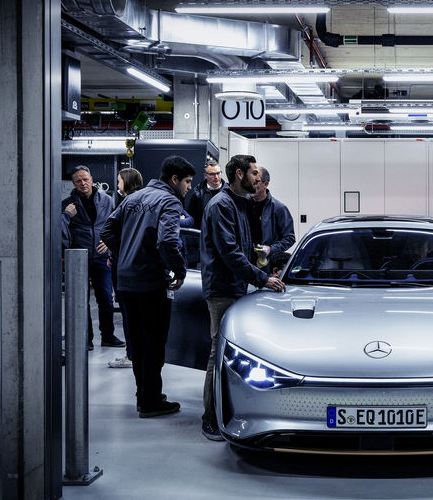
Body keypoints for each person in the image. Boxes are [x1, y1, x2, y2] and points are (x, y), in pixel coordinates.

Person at [101, 155, 195, 418]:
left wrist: (125, 254)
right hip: (151, 282)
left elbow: (107, 231)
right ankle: (151, 401)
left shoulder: (133, 198)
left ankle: (144, 395)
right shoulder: (169, 201)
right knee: (154, 342)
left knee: (139, 343)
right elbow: (167, 242)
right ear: (174, 179)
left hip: (126, 281)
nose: (189, 187)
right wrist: (179, 269)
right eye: (187, 182)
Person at [199, 154, 285, 440]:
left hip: (239, 286)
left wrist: (265, 265)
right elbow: (230, 253)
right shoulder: (221, 205)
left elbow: (244, 249)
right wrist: (262, 278)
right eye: (253, 173)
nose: (257, 178)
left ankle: (241, 410)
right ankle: (211, 417)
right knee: (219, 353)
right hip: (222, 288)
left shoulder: (240, 202)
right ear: (239, 174)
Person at [61, 165, 124, 351]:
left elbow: (115, 225)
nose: (83, 183)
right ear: (74, 183)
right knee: (81, 300)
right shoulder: (67, 204)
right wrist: (67, 215)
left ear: (92, 180)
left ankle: (108, 336)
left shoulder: (106, 200)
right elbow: (61, 231)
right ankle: (85, 339)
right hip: (78, 258)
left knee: (105, 298)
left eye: (85, 179)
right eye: (78, 181)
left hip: (101, 256)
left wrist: (109, 242)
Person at [105, 167, 143, 369]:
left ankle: (132, 355)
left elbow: (108, 232)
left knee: (129, 314)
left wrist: (116, 251)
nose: (118, 184)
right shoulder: (142, 203)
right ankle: (134, 353)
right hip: (134, 265)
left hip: (124, 266)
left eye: (119, 180)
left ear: (126, 182)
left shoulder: (127, 204)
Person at [248, 166, 296, 262]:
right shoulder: (243, 206)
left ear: (266, 184)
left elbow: (289, 238)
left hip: (268, 263)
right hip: (245, 262)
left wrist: (271, 249)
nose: (251, 185)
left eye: (256, 182)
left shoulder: (279, 208)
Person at [185, 159, 225, 232]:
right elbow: (191, 218)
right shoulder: (197, 194)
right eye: (212, 174)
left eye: (218, 173)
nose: (216, 177)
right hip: (203, 234)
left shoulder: (229, 192)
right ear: (205, 175)